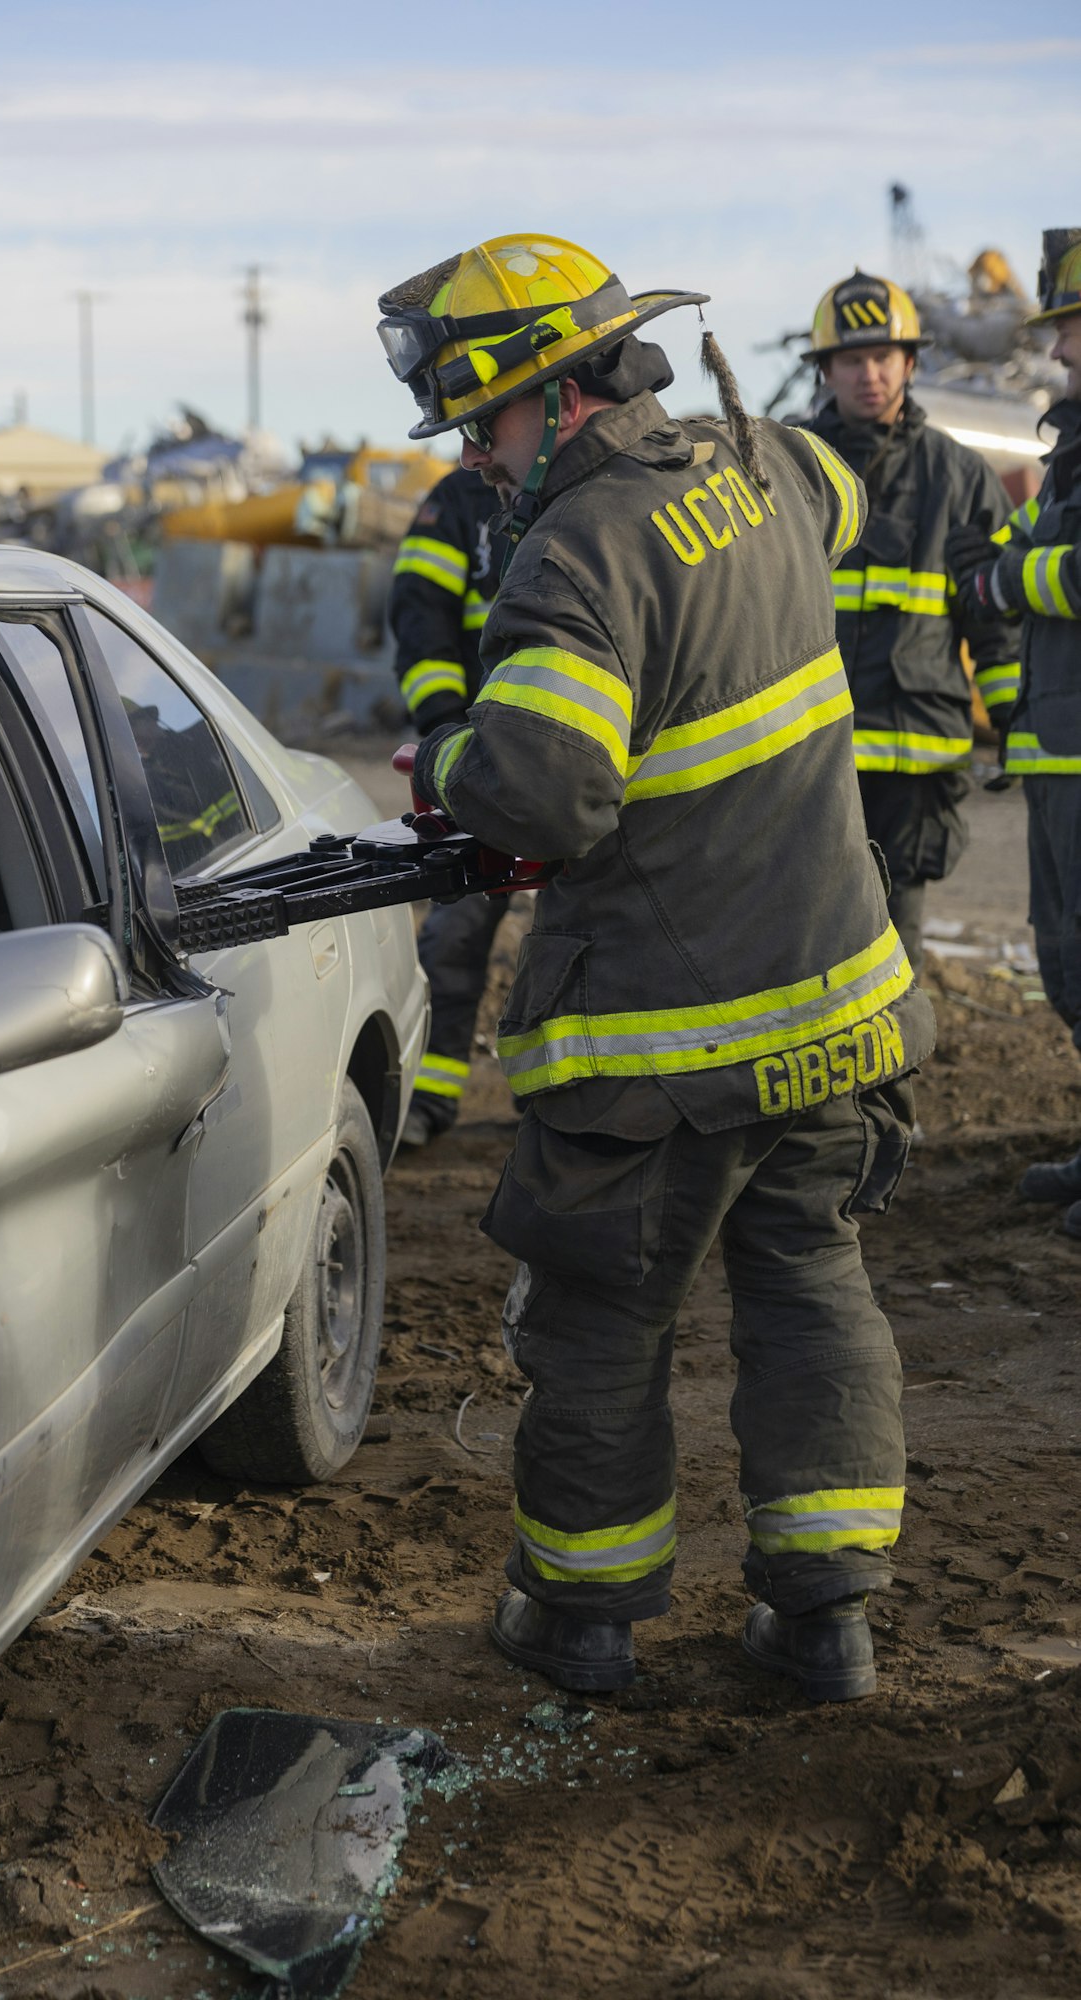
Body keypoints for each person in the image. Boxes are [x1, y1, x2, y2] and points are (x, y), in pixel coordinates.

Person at [375, 233, 935, 1703]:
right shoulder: (766, 465)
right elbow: (846, 496)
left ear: (553, 400)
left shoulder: (575, 550)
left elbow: (544, 795)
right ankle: (824, 1625)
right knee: (810, 1283)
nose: (482, 463)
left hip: (659, 1046)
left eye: (483, 425)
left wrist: (442, 757)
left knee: (599, 1324)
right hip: (834, 1007)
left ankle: (584, 1619)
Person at [801, 270, 1017, 973]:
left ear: (911, 364)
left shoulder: (959, 478)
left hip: (915, 767)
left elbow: (994, 620)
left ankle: (895, 1086)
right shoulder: (788, 471)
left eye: (884, 357)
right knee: (802, 948)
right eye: (854, 359)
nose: (870, 374)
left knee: (899, 961)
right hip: (806, 759)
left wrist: (1015, 719)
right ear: (827, 370)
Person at [948, 228, 1081, 1238]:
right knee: (1064, 960)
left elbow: (1057, 575)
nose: (1061, 352)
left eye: (1073, 329)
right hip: (1052, 746)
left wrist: (1002, 581)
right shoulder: (1067, 447)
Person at [389, 470, 511, 1143]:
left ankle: (570, 1100)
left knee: (591, 936)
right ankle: (428, 1097)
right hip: (482, 760)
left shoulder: (601, 486)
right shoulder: (462, 501)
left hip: (593, 758)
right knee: (457, 932)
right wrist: (446, 726)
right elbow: (419, 613)